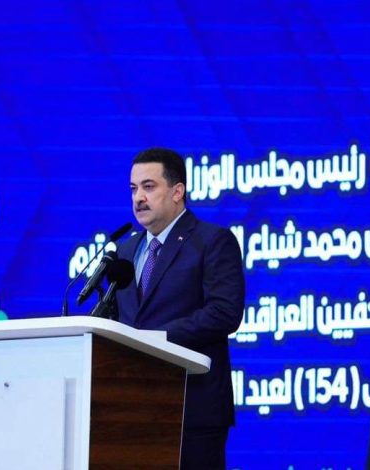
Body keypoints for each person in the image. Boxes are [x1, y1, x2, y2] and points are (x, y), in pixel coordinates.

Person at [114, 147, 245, 469]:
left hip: (192, 408)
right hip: (130, 408)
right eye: (133, 188)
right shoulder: (125, 250)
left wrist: (155, 340)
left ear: (177, 192)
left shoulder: (212, 241)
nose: (138, 198)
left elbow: (224, 313)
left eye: (149, 186)